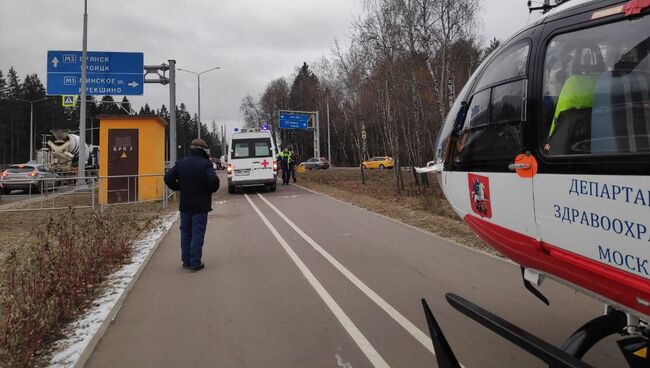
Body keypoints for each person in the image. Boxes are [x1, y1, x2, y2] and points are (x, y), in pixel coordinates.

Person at [164, 138, 219, 272]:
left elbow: (168, 178)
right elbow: (213, 182)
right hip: (200, 205)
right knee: (197, 233)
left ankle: (186, 261)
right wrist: (208, 190)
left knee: (186, 232)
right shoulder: (206, 164)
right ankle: (195, 262)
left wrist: (178, 187)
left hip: (185, 204)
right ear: (203, 150)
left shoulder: (181, 163)